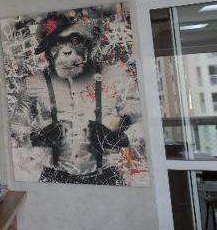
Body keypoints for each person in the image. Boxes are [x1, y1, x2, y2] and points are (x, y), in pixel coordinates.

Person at [22, 12, 138, 185]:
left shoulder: (115, 76)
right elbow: (15, 135)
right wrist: (38, 139)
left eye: (74, 41)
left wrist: (117, 137)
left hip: (105, 177)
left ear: (88, 43)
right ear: (47, 50)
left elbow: (143, 125)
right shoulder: (33, 83)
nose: (66, 50)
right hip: (54, 177)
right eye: (57, 43)